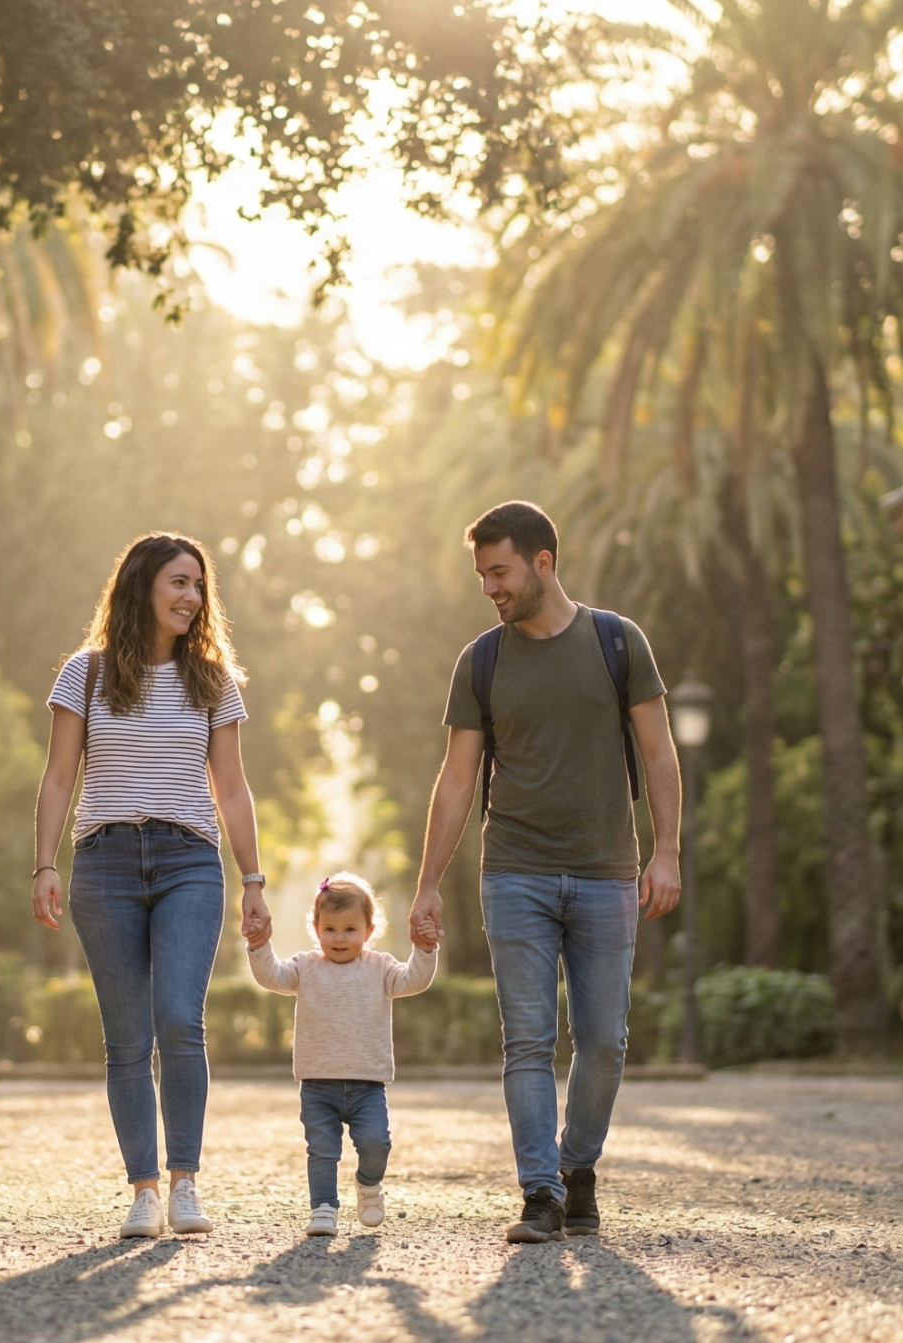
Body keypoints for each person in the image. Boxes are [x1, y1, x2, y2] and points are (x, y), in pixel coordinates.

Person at [407, 500, 682, 1244]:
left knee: (604, 1040)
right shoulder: (482, 661)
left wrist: (666, 851)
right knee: (527, 1040)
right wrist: (429, 880)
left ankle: (577, 1166)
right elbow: (458, 780)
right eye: (482, 575)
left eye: (500, 571)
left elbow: (658, 751)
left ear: (543, 562)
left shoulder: (618, 642)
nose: (490, 587)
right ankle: (539, 1191)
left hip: (605, 872)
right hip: (515, 873)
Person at [30, 532, 272, 1240]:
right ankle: (142, 1189)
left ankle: (185, 1181)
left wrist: (253, 879)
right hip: (103, 862)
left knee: (179, 1018)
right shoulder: (86, 673)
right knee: (127, 1036)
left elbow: (231, 787)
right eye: (178, 582)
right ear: (141, 586)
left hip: (188, 860)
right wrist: (45, 864)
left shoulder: (213, 680)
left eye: (199, 586)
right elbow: (57, 777)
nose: (192, 597)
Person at [244, 873, 439, 1237]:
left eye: (350, 929)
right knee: (321, 1150)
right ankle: (323, 1208)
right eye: (330, 929)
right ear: (316, 928)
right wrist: (259, 946)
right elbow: (272, 976)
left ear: (368, 930)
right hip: (318, 1083)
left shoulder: (380, 968)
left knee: (375, 1143)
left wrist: (424, 950)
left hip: (368, 1084)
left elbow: (415, 980)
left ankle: (368, 1184)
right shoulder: (305, 967)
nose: (339, 938)